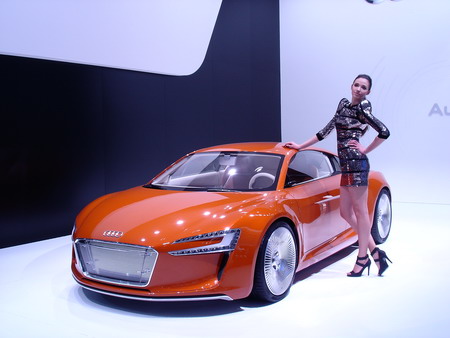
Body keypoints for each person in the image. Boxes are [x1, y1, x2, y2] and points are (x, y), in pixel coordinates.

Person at [284, 74, 391, 277]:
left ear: (368, 92)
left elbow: (384, 131)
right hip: (345, 166)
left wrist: (365, 150)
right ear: (351, 86)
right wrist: (300, 146)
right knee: (345, 212)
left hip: (357, 164)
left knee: (360, 212)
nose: (359, 89)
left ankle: (362, 259)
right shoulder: (343, 105)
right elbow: (325, 131)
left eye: (364, 87)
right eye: (357, 85)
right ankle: (375, 252)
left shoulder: (363, 108)